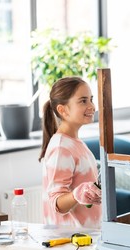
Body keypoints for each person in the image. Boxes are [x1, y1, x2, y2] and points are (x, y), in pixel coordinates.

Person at [38, 77, 102, 228]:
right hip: (70, 241)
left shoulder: (75, 143)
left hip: (85, 238)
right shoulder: (61, 148)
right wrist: (76, 195)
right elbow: (57, 203)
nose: (92, 106)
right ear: (63, 109)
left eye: (91, 99)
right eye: (83, 101)